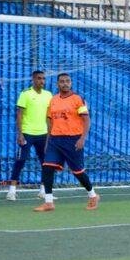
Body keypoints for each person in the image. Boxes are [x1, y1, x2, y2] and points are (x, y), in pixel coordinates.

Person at [33, 73, 99, 212]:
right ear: (57, 84)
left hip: (73, 140)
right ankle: (49, 202)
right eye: (62, 81)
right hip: (55, 140)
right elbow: (50, 122)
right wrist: (48, 142)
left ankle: (93, 195)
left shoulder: (77, 99)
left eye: (68, 81)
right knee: (47, 167)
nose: (65, 83)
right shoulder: (53, 100)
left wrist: (82, 139)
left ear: (71, 83)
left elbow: (86, 120)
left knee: (77, 171)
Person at [6, 70, 52, 201]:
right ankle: (11, 191)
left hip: (43, 134)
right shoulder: (25, 94)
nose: (42, 81)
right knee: (21, 160)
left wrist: (50, 133)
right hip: (27, 133)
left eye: (43, 78)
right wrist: (20, 134)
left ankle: (43, 191)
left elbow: (49, 116)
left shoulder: (48, 95)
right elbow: (19, 114)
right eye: (39, 78)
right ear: (33, 79)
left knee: (46, 162)